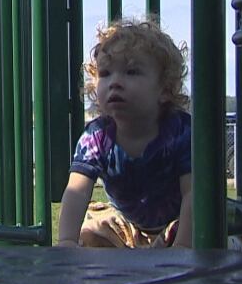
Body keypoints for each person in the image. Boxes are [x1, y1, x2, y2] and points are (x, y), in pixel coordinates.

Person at [58, 19, 192, 248]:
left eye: (131, 72)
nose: (115, 83)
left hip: (181, 223)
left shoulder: (180, 131)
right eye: (106, 73)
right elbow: (76, 191)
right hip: (130, 225)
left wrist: (183, 248)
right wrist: (67, 241)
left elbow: (194, 195)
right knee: (91, 232)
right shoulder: (97, 137)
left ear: (165, 89)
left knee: (219, 238)